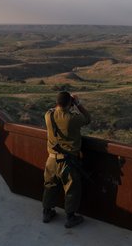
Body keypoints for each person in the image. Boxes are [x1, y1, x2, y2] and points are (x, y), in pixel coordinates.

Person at [42, 91, 91, 228]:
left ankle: (47, 212)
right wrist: (78, 104)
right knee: (71, 189)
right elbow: (87, 118)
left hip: (51, 160)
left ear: (57, 103)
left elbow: (55, 109)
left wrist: (66, 102)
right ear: (69, 103)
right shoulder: (72, 119)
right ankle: (70, 217)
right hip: (68, 162)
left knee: (49, 185)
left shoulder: (48, 115)